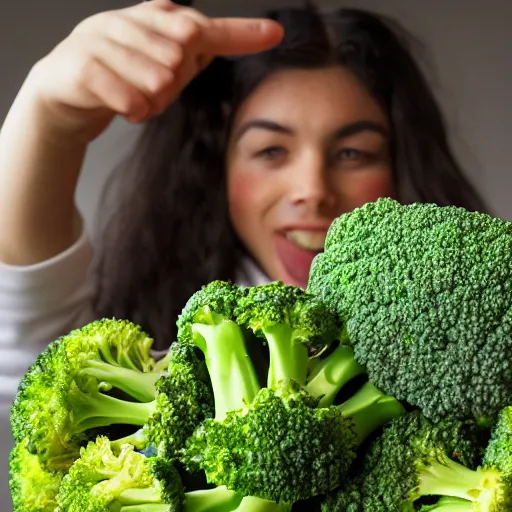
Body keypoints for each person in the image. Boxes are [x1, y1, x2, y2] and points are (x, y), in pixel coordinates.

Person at [0, 0, 486, 488]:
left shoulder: (468, 354)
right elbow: (26, 359)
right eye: (271, 150)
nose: (313, 188)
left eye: (353, 152)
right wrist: (49, 118)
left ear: (400, 169)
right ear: (219, 168)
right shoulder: (167, 351)